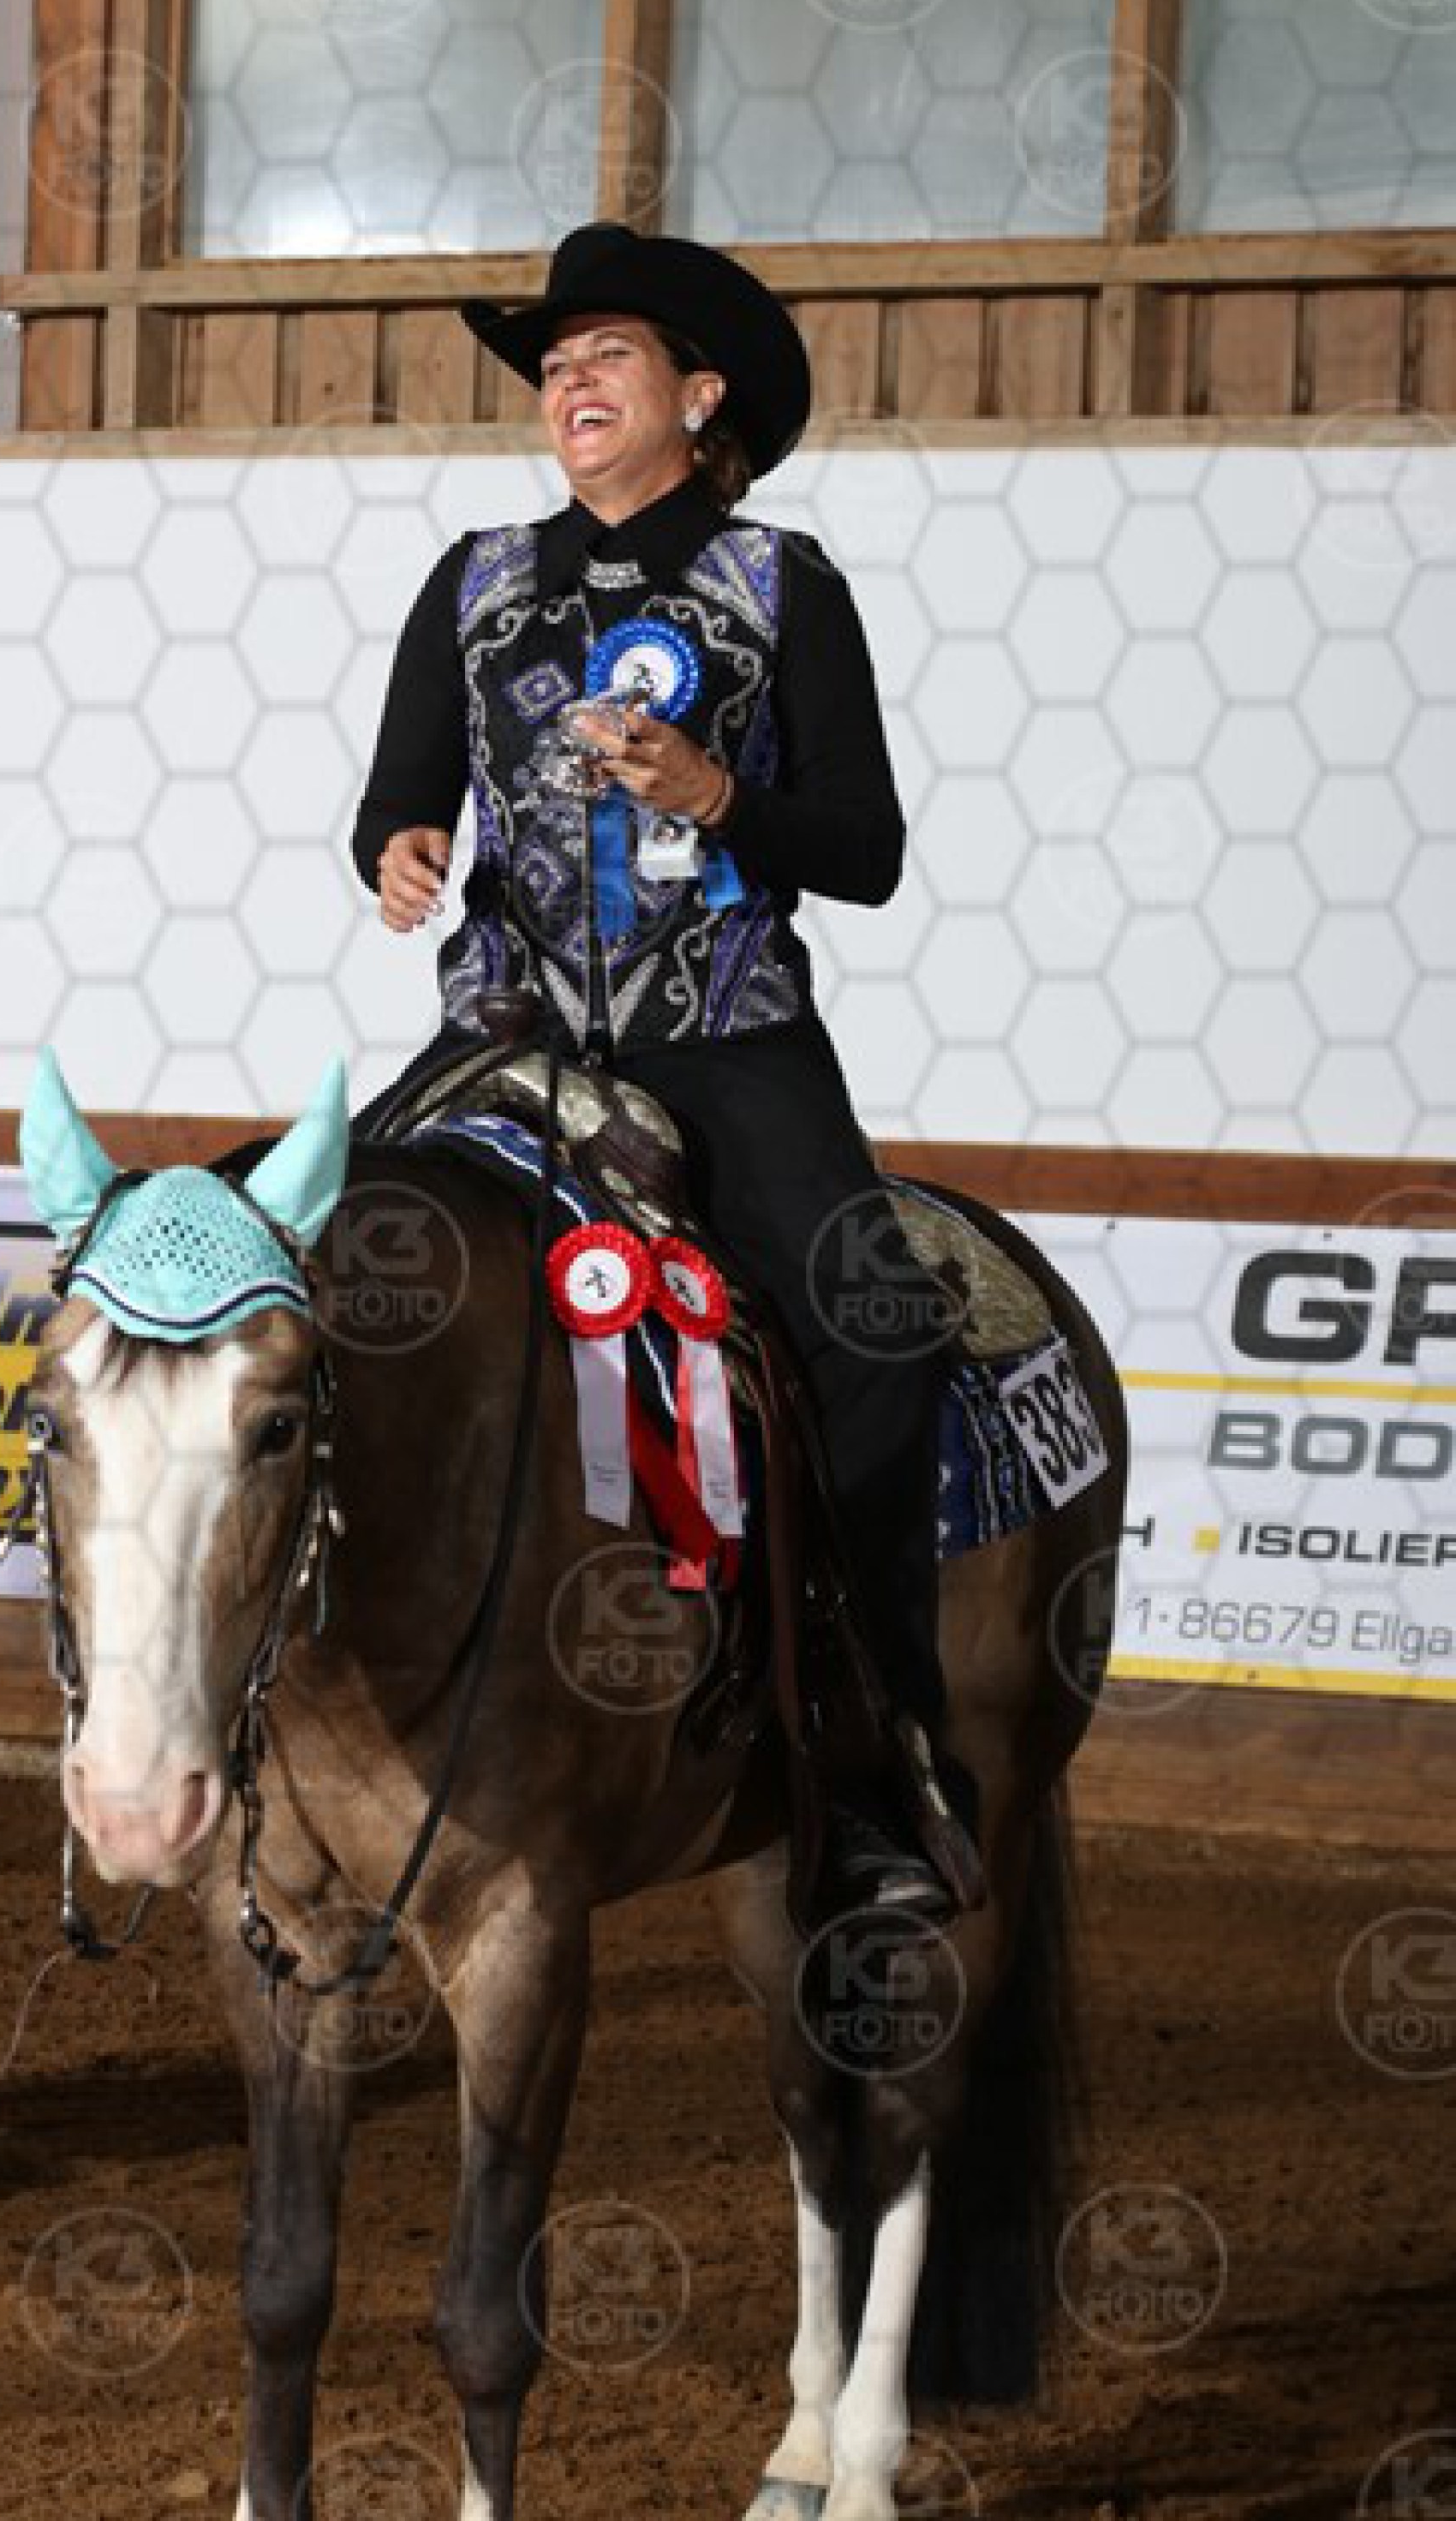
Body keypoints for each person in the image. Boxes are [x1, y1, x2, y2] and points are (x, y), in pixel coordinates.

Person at [348, 220, 977, 1927]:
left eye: (603, 355)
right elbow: (403, 789)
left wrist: (718, 796)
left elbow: (865, 849)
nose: (567, 380)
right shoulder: (476, 578)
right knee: (318, 1278)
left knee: (874, 1334)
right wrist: (397, 848)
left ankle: (876, 1765)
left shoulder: (783, 584)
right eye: (553, 364)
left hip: (730, 1036)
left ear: (698, 398)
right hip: (504, 1039)